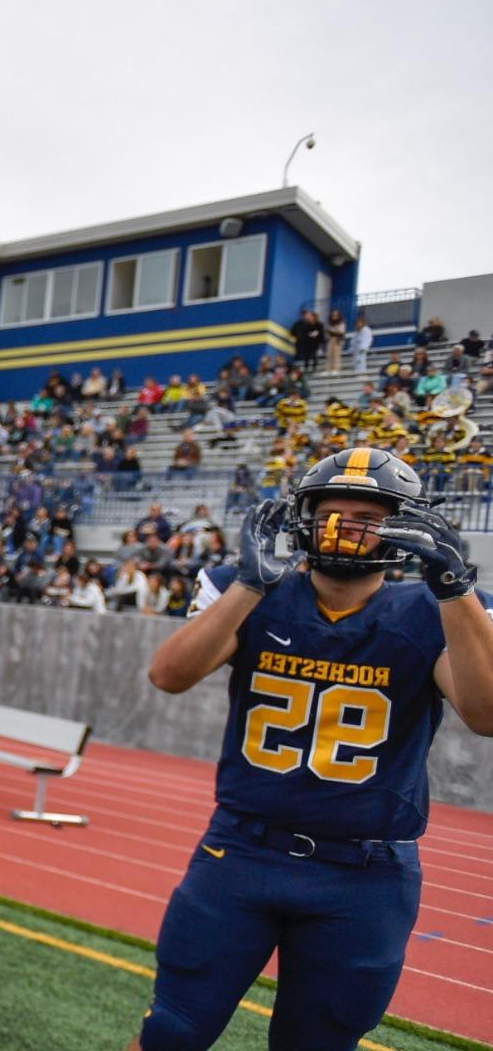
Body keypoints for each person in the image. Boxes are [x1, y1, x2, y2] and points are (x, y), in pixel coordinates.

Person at [128, 450, 493, 1050]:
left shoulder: (435, 610)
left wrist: (457, 592)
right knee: (171, 1032)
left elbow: (485, 715)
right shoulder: (244, 587)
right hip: (243, 852)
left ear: (404, 525)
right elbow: (169, 674)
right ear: (302, 518)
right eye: (330, 514)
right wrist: (250, 583)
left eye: (365, 518)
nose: (344, 530)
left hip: (364, 875)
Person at [290, 308, 322, 373]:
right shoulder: (298, 323)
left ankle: (313, 368)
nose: (306, 316)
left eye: (308, 315)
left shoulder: (316, 324)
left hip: (312, 343)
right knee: (302, 357)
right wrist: (299, 336)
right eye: (304, 315)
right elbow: (293, 332)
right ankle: (301, 370)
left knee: (313, 355)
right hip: (300, 344)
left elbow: (320, 334)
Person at [323, 308, 347, 375]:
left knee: (336, 355)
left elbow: (341, 332)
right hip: (330, 340)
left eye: (336, 315)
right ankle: (328, 369)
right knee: (329, 355)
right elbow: (327, 333)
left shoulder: (341, 323)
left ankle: (336, 369)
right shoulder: (329, 323)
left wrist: (332, 331)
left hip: (338, 340)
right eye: (333, 315)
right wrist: (330, 332)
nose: (334, 317)